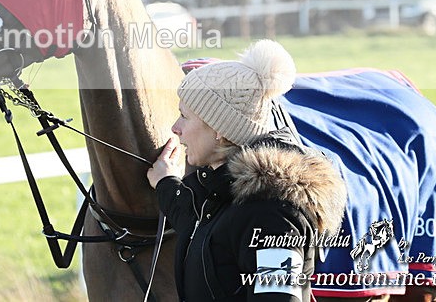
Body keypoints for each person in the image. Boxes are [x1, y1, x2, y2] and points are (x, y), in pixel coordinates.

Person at [147, 39, 347, 302]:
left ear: (219, 128)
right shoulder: (223, 190)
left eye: (185, 116)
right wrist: (166, 183)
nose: (176, 127)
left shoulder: (274, 214)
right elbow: (201, 226)